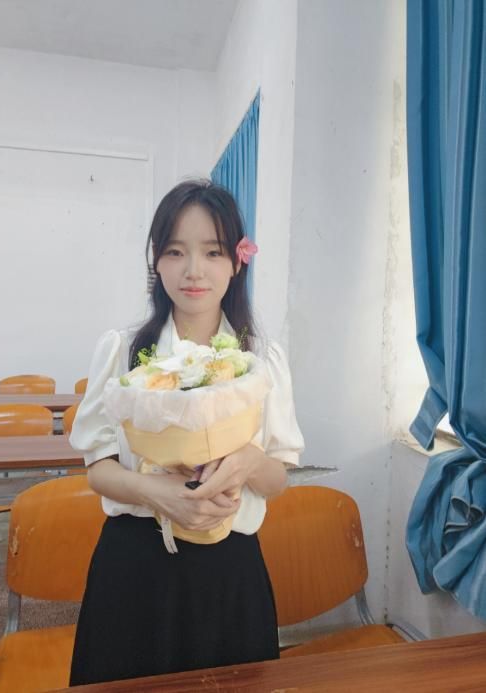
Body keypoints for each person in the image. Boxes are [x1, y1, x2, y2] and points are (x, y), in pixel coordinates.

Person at [69, 179, 304, 685]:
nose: (194, 270)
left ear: (237, 261)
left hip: (229, 569)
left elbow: (277, 477)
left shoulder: (263, 360)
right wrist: (156, 492)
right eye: (176, 251)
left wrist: (247, 461)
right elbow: (97, 468)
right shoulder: (123, 350)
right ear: (156, 261)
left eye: (212, 252)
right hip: (135, 564)